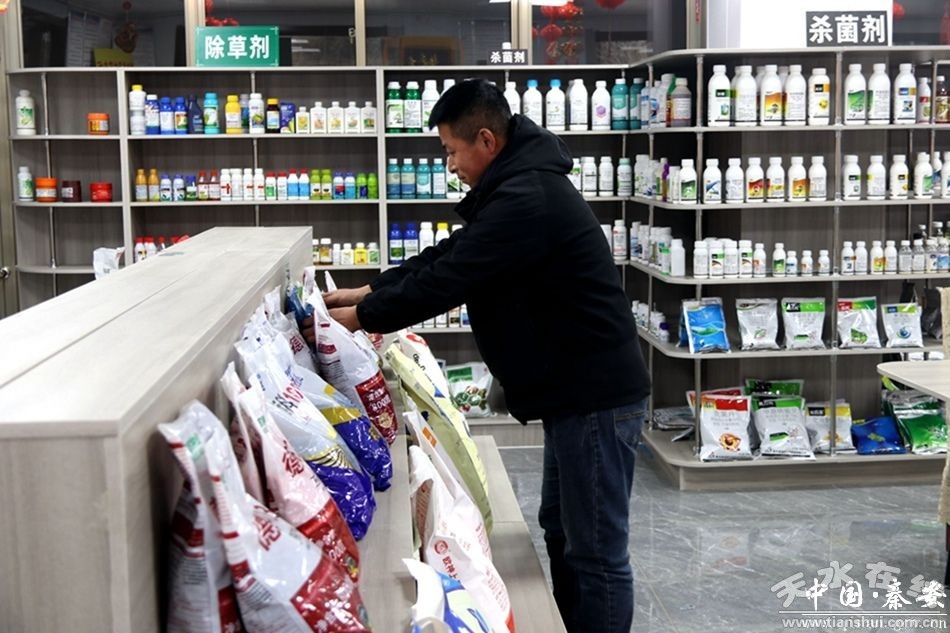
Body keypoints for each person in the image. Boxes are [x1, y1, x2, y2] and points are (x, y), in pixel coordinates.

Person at [306, 79, 650, 633]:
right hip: (575, 393)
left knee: (596, 553)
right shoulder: (516, 185)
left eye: (451, 150)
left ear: (486, 140)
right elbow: (452, 253)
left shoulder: (528, 197)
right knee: (562, 529)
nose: (450, 164)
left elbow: (452, 277)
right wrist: (366, 293)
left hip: (596, 399)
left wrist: (357, 319)